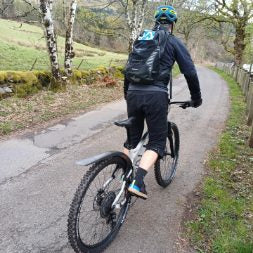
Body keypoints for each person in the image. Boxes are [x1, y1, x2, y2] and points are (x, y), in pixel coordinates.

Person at [124, 5, 202, 199]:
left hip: (133, 93)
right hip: (156, 96)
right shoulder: (173, 42)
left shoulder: (142, 39)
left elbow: (129, 67)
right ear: (172, 25)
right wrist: (196, 98)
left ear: (156, 22)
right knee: (157, 142)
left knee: (132, 140)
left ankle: (122, 174)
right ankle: (137, 182)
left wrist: (128, 94)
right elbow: (190, 72)